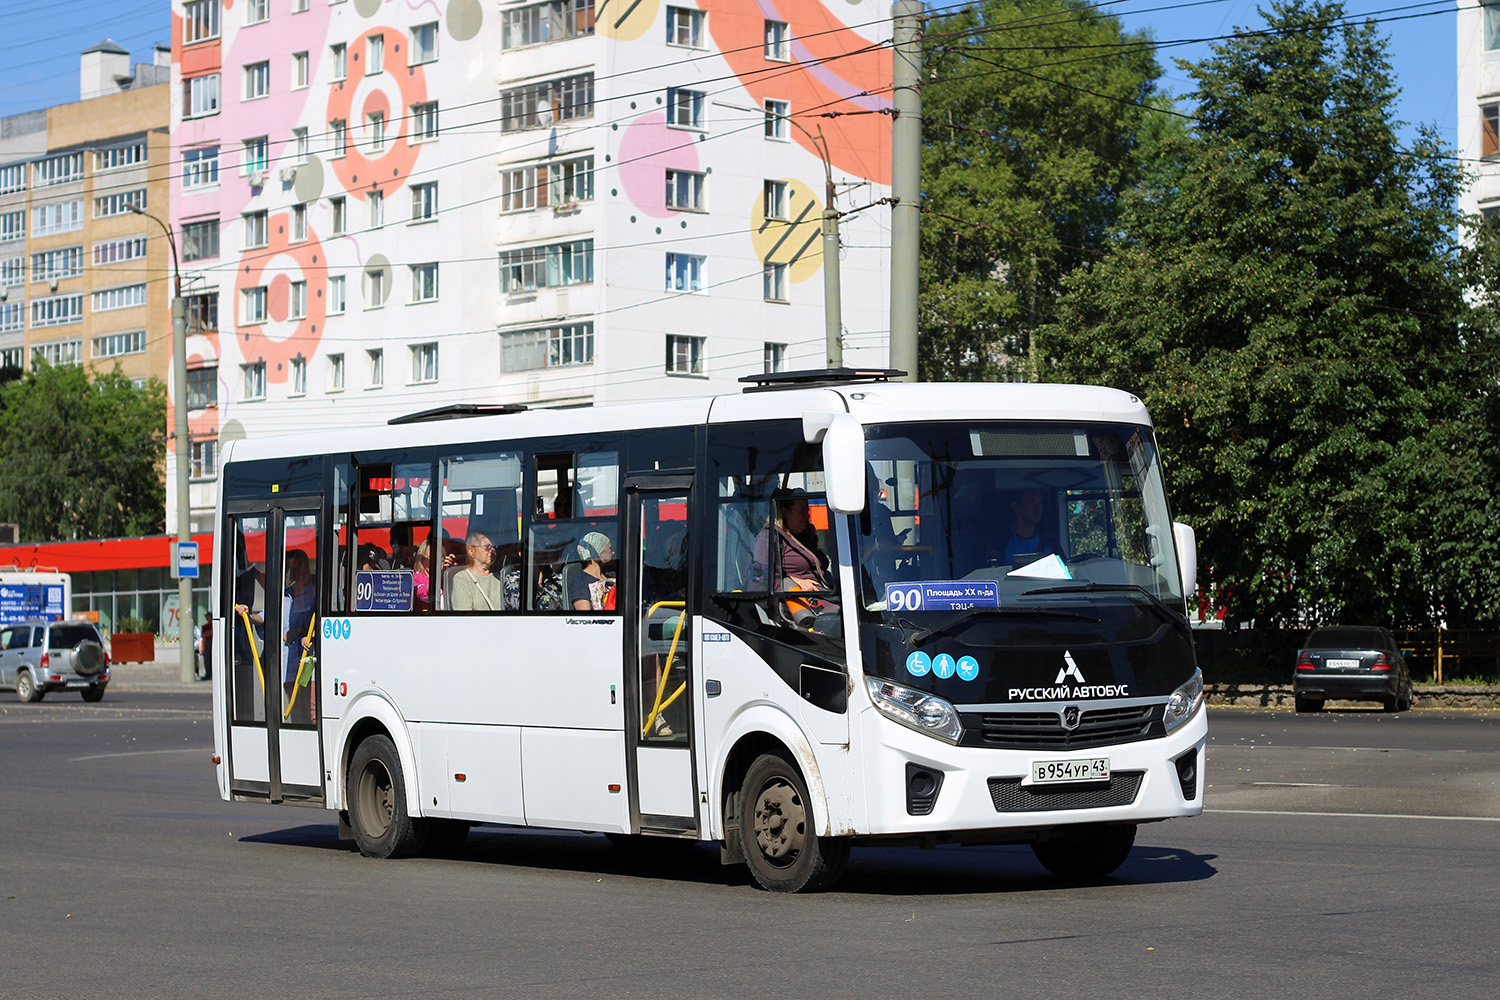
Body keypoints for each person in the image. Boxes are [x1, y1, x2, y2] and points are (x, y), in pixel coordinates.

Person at [281, 548, 317, 723]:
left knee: (310, 709)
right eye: (289, 567)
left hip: (309, 658)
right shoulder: (286, 595)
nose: (292, 571)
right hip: (290, 661)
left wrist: (304, 633)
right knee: (295, 710)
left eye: (295, 566)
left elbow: (320, 619)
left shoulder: (314, 591)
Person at [1000, 488, 1054, 568]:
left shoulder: (1050, 541)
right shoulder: (1001, 542)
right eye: (1031, 501)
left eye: (1040, 502)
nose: (1038, 507)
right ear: (1016, 507)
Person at [451, 531, 504, 611]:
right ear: (471, 551)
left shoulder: (501, 577)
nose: (492, 550)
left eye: (494, 547)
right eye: (487, 546)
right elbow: (464, 617)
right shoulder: (461, 579)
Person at [570, 531, 615, 611]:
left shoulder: (611, 576)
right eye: (609, 548)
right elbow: (585, 615)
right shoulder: (580, 581)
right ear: (598, 552)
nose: (613, 552)